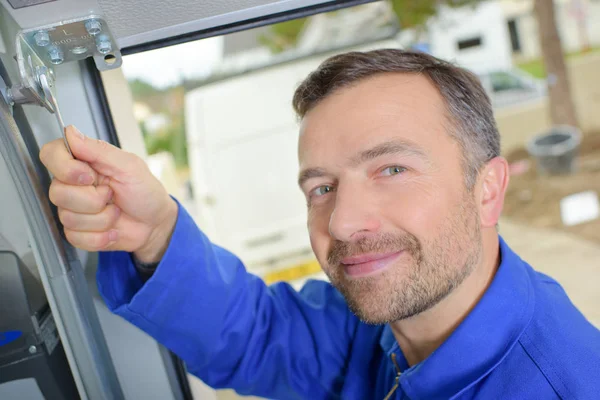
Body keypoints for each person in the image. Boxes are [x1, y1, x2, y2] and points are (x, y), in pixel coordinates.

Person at [40, 49, 600, 399]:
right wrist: (157, 232)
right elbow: (259, 335)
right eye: (322, 188)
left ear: (488, 190)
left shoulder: (561, 385)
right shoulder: (384, 323)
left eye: (392, 168)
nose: (345, 221)